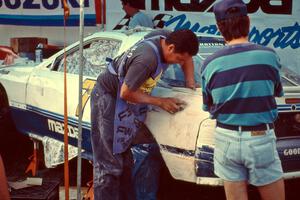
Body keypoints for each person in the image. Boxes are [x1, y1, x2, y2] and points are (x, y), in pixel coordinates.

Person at [91, 29, 198, 200]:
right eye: (178, 59)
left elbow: (187, 58)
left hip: (128, 98)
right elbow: (126, 93)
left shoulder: (167, 36)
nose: (180, 64)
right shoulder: (147, 59)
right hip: (109, 98)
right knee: (109, 165)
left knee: (125, 161)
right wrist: (161, 101)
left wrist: (190, 84)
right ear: (170, 48)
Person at [201, 0, 285, 200]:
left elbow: (208, 105)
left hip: (225, 138)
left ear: (219, 27)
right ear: (248, 21)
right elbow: (275, 91)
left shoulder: (209, 63)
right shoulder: (268, 56)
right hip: (259, 137)